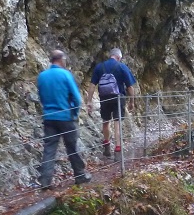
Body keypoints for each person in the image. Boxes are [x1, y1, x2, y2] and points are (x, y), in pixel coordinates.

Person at [37, 49, 91, 189]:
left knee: (49, 149)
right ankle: (80, 175)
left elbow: (41, 97)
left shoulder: (42, 76)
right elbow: (76, 98)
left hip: (49, 117)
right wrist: (73, 113)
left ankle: (45, 181)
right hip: (65, 117)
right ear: (61, 60)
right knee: (72, 147)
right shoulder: (65, 75)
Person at [87, 47, 138, 157]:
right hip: (118, 98)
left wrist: (89, 101)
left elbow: (92, 85)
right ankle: (118, 151)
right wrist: (132, 102)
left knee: (105, 122)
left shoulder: (99, 67)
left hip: (104, 98)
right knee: (117, 123)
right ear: (119, 57)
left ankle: (106, 147)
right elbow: (130, 87)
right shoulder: (122, 67)